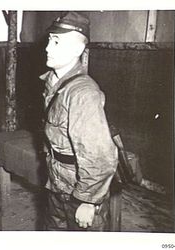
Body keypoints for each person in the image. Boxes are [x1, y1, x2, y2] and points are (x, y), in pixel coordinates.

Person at [40, 12, 118, 231]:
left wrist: (88, 200)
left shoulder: (82, 93)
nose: (47, 48)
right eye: (49, 40)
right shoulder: (54, 84)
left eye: (56, 42)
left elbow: (99, 155)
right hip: (57, 184)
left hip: (79, 191)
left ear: (77, 50)